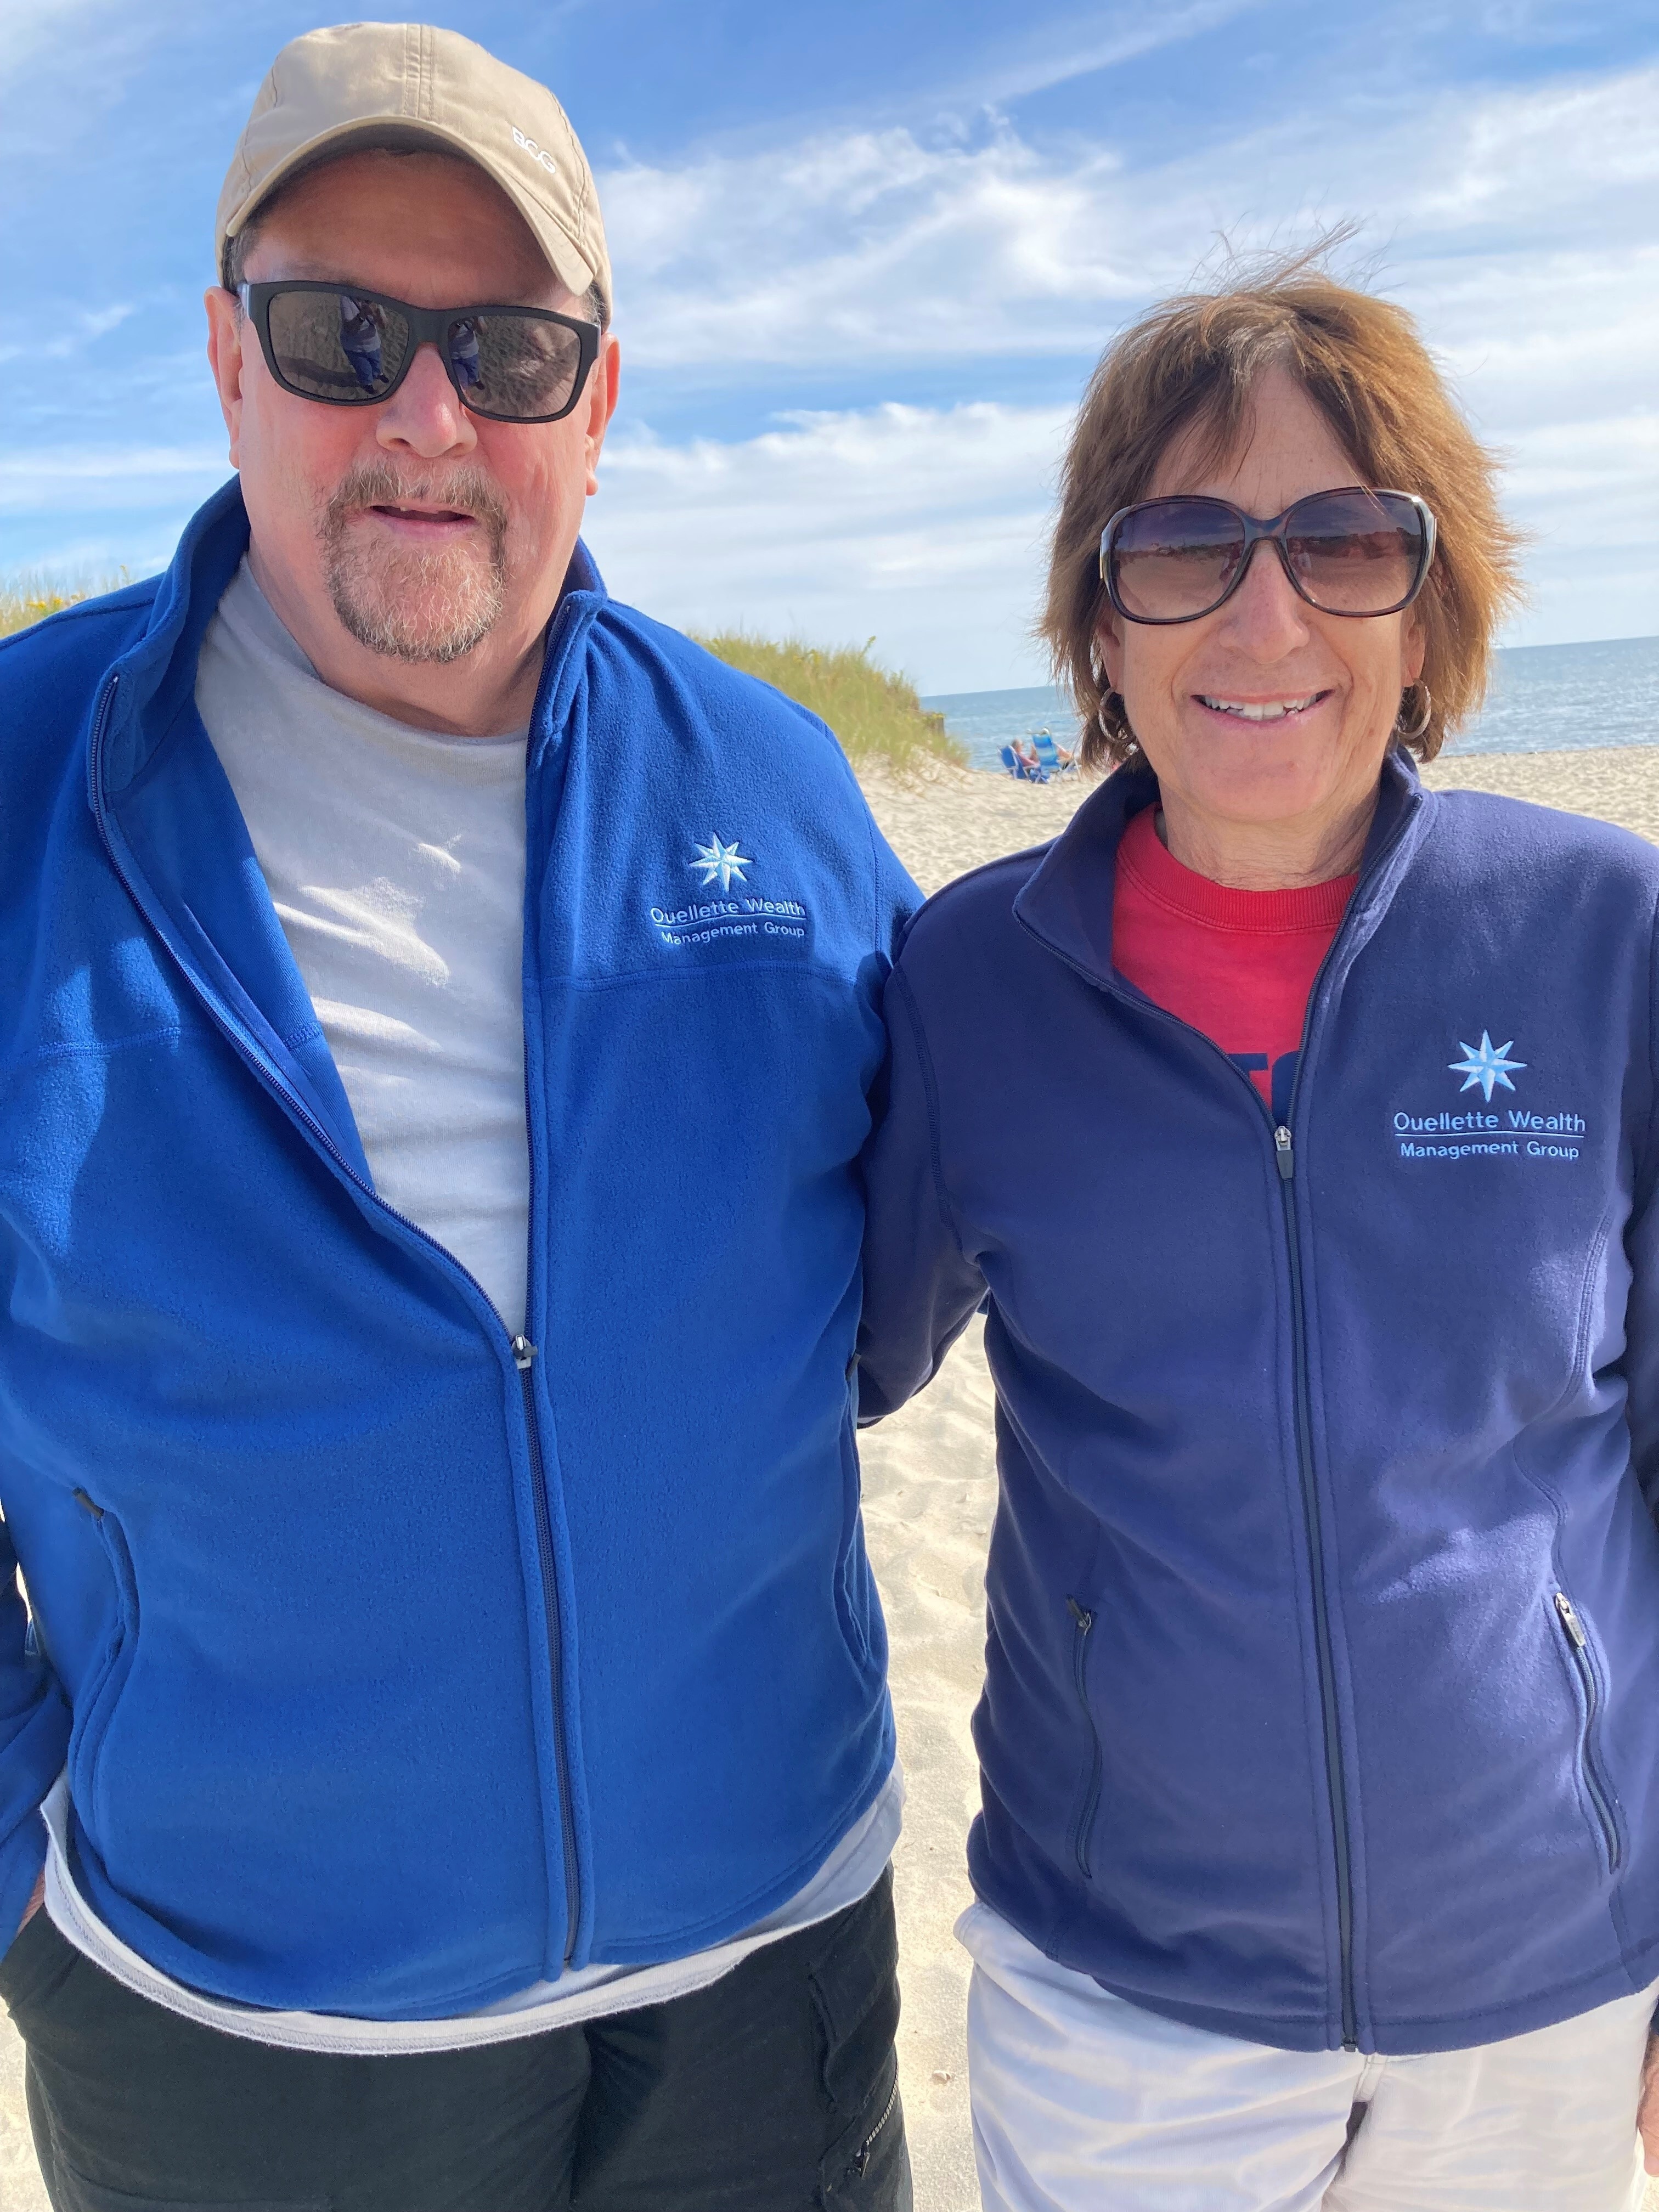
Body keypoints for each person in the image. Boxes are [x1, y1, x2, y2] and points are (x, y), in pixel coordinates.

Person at [0, 25, 915, 2210]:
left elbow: (916, 1268)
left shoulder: (772, 780)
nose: (429, 417)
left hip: (771, 1970)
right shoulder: (23, 782)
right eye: (347, 332)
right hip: (243, 2031)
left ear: (597, 406)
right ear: (227, 357)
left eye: (507, 351)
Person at [857, 261, 1659, 2210]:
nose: (1267, 613)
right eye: (1187, 548)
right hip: (1124, 2014)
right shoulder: (969, 983)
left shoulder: (1603, 937)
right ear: (1101, 621)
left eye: (1345, 541)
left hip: (1550, 1993)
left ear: (1428, 605)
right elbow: (824, 1360)